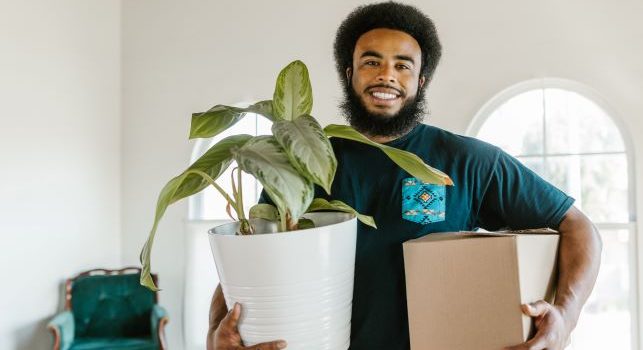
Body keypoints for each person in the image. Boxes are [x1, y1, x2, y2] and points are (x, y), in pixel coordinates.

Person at [208, 2, 602, 350]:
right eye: (371, 61)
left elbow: (579, 228)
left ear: (420, 81)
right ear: (350, 74)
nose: (386, 75)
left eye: (402, 65)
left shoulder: (469, 161)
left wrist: (565, 319)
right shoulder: (302, 163)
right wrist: (215, 333)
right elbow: (249, 257)